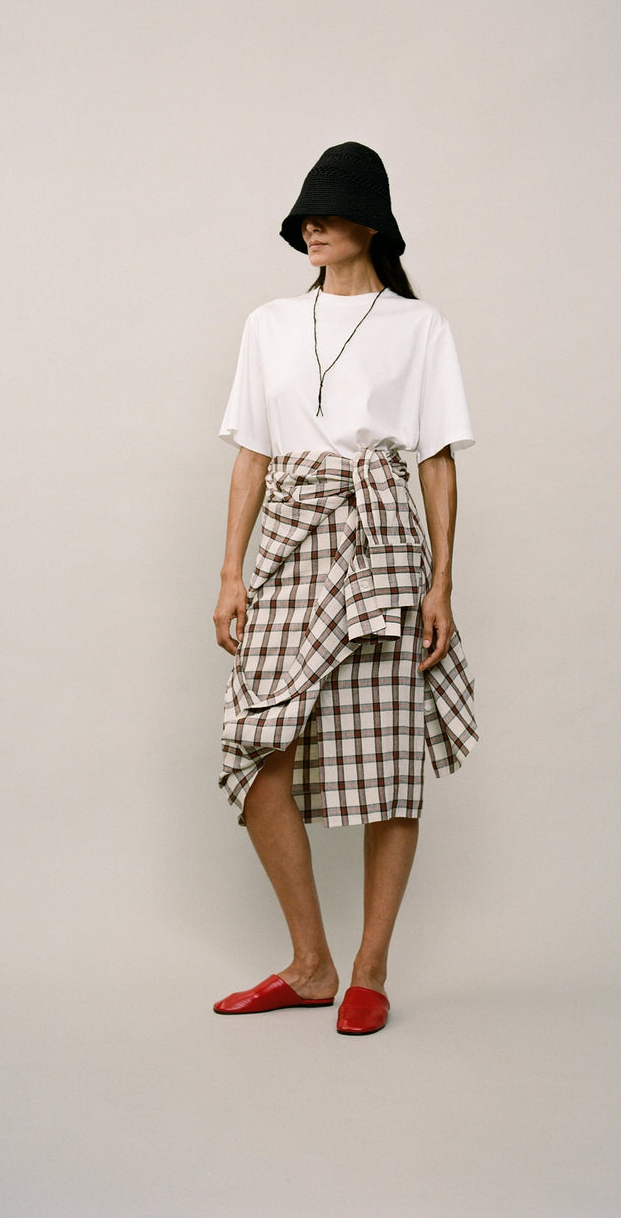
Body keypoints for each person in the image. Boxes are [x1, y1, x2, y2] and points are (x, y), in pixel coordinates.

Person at [212, 142, 477, 1035]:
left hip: (384, 544)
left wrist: (442, 583)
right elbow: (252, 453)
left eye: (325, 214)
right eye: (303, 218)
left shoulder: (421, 327)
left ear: (371, 223)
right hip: (292, 538)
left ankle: (368, 968)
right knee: (259, 752)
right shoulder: (268, 324)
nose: (309, 227)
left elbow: (436, 462)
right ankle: (310, 963)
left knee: (390, 758)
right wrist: (230, 573)